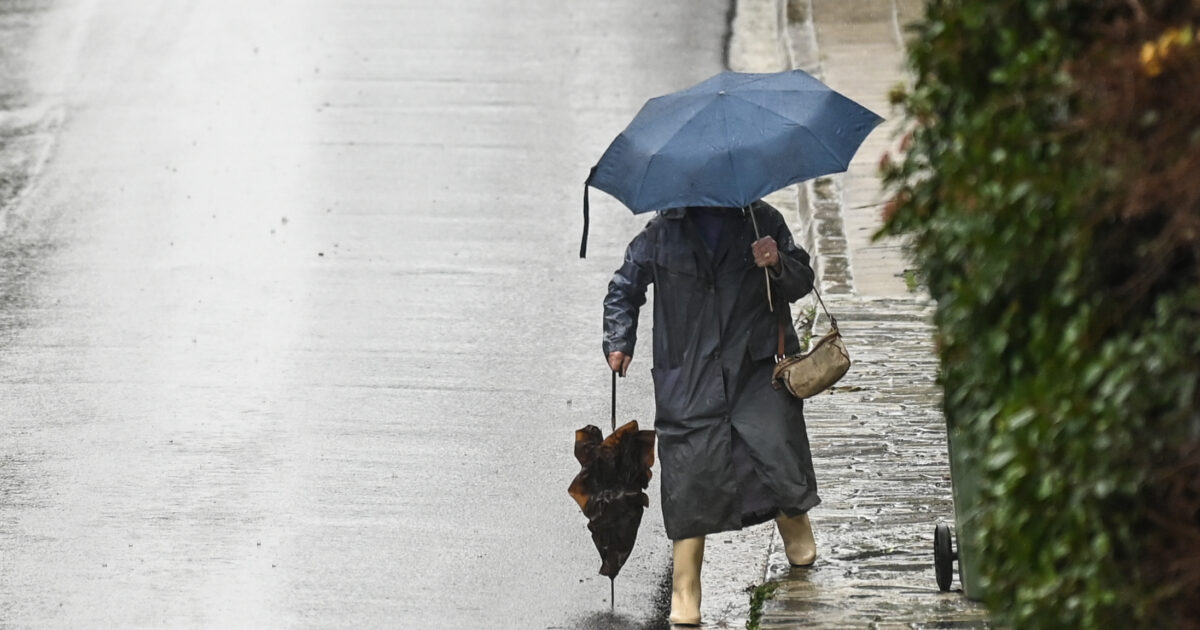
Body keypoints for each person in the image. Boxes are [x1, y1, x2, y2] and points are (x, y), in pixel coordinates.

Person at [603, 201, 819, 626]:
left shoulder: (762, 220)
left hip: (755, 369)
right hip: (689, 375)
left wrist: (776, 262)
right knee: (688, 475)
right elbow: (624, 288)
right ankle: (686, 590)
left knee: (774, 449)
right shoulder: (661, 232)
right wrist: (618, 338)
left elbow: (801, 279)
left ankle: (796, 526)